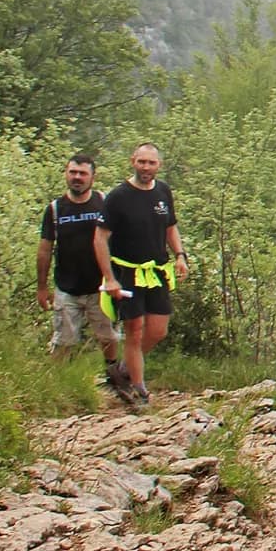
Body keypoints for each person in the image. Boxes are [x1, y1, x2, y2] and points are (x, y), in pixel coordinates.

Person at [94, 142, 190, 406]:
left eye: (151, 163)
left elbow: (171, 227)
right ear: (133, 161)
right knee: (134, 330)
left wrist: (180, 255)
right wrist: (110, 277)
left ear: (159, 165)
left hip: (156, 271)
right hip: (126, 271)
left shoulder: (162, 191)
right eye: (142, 162)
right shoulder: (118, 196)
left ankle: (123, 370)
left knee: (158, 329)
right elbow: (100, 238)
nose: (146, 168)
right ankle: (139, 389)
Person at [36, 152, 125, 391]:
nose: (77, 177)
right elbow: (45, 249)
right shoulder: (55, 209)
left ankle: (112, 376)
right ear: (66, 174)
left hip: (101, 286)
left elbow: (120, 240)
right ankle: (55, 386)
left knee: (108, 336)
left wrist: (118, 278)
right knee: (64, 340)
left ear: (92, 177)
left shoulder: (104, 203)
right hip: (67, 287)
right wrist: (42, 287)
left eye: (82, 173)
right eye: (73, 172)